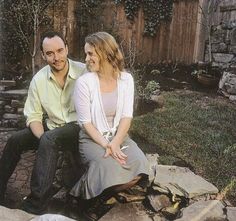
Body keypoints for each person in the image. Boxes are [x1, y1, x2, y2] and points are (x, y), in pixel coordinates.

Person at [0, 31, 86, 214]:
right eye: (50, 53)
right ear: (43, 55)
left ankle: (34, 205)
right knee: (15, 140)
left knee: (50, 139)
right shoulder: (39, 79)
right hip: (53, 127)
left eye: (60, 50)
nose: (56, 58)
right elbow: (33, 116)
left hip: (79, 128)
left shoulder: (84, 72)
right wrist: (43, 138)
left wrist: (48, 140)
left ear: (67, 49)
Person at [70, 32, 149, 220]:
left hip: (120, 137)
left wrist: (116, 143)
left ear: (106, 53)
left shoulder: (126, 80)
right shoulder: (84, 83)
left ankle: (93, 194)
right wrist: (107, 145)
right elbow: (85, 123)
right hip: (92, 139)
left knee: (140, 166)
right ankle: (84, 201)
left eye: (91, 54)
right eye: (86, 54)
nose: (86, 59)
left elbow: (126, 117)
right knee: (107, 167)